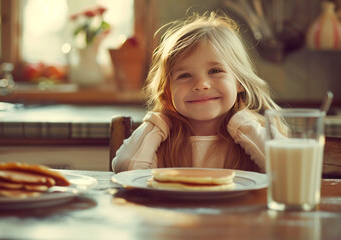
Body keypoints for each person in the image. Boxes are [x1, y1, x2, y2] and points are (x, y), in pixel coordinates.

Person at [112, 11, 285, 173]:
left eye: (215, 71)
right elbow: (126, 169)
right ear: (167, 91)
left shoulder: (253, 134)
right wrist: (158, 123)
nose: (201, 84)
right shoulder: (161, 140)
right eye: (185, 75)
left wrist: (243, 124)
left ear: (239, 82)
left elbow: (287, 171)